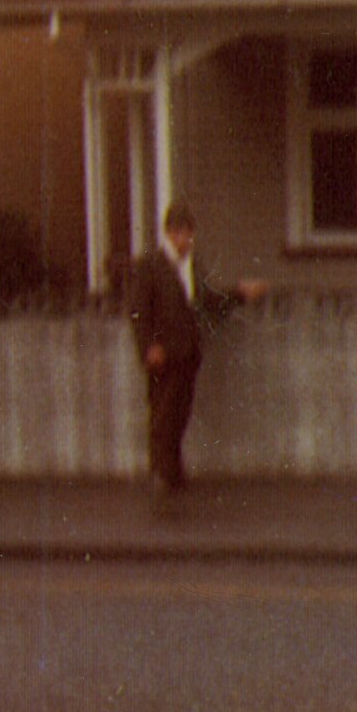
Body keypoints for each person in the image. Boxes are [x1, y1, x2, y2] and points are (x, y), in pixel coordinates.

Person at [126, 201, 268, 499]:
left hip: (187, 351)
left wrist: (240, 293)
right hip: (163, 352)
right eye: (180, 234)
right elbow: (138, 312)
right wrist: (148, 347)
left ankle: (173, 469)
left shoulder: (191, 266)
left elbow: (208, 301)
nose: (186, 240)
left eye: (189, 234)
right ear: (169, 234)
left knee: (180, 411)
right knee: (163, 412)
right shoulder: (150, 266)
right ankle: (161, 474)